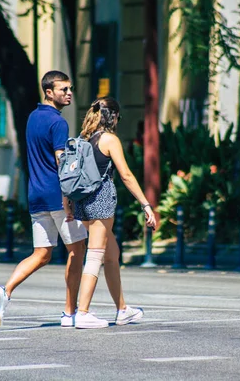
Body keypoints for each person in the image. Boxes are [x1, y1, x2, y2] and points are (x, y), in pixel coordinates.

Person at [0, 71, 87, 327]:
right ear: (49, 92)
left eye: (70, 88)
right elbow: (61, 160)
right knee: (77, 250)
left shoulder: (32, 117)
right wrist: (69, 197)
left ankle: (5, 292)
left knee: (42, 254)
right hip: (58, 195)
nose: (69, 93)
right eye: (63, 89)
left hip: (36, 195)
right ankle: (69, 312)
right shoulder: (58, 122)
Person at [73, 96, 157, 329]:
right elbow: (126, 175)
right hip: (100, 200)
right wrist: (146, 204)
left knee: (112, 253)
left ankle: (122, 310)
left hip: (82, 201)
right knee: (96, 255)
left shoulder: (84, 138)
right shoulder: (109, 139)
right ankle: (83, 312)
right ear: (114, 116)